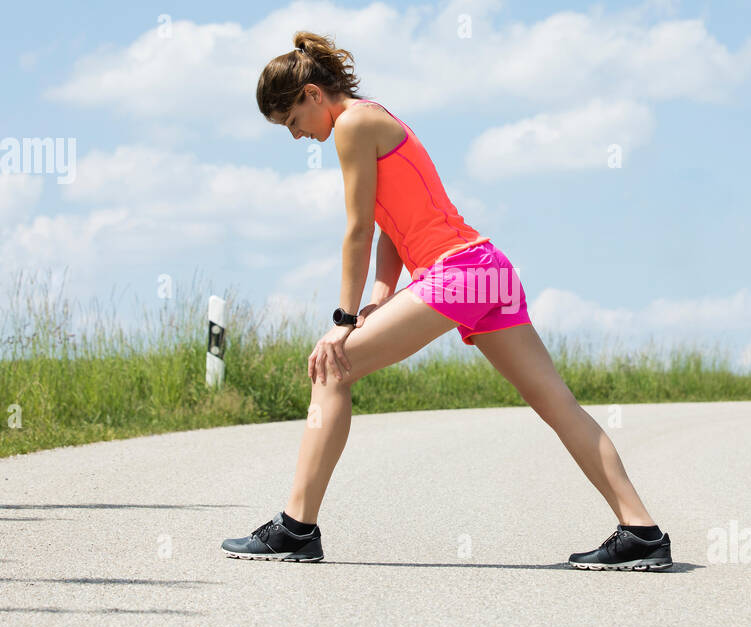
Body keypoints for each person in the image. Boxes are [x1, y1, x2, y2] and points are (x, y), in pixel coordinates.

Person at [220, 30, 672, 571]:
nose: (296, 136)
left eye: (293, 122)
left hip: (456, 273)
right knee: (557, 403)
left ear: (314, 95)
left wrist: (342, 321)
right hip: (488, 270)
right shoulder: (376, 117)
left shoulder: (352, 125)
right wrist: (383, 295)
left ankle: (295, 527)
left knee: (331, 369)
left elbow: (358, 229)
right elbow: (392, 225)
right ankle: (642, 531)